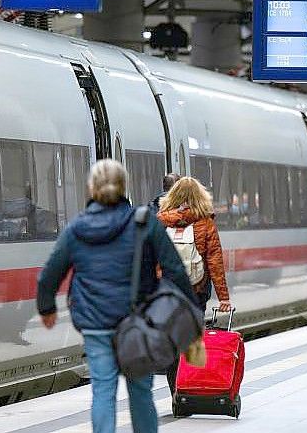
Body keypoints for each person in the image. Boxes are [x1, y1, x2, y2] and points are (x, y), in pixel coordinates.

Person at [36, 159, 196, 433]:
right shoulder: (145, 223)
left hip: (96, 324)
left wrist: (47, 308)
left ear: (92, 188)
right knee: (141, 391)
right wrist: (188, 312)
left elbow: (50, 274)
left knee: (102, 391)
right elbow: (175, 270)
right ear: (123, 186)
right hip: (138, 323)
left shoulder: (77, 228)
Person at [157, 176, 232, 395]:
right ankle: (193, 390)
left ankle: (176, 394)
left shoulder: (160, 222)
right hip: (196, 292)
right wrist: (224, 298)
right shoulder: (205, 223)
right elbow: (215, 263)